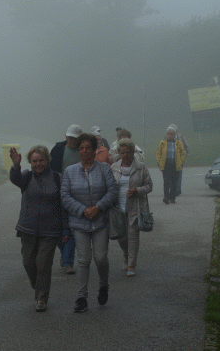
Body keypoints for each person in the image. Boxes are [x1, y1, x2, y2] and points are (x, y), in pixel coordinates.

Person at [61, 133, 118, 313]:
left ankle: (103, 285)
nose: (85, 151)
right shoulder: (70, 171)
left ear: (95, 150)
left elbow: (112, 191)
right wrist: (83, 210)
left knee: (100, 258)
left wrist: (98, 207)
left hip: (100, 221)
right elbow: (65, 196)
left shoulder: (104, 169)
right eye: (81, 148)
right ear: (78, 151)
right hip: (80, 223)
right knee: (83, 260)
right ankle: (81, 297)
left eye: (88, 147)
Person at [9, 145, 69, 312]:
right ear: (30, 162)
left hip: (50, 230)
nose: (38, 164)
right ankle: (39, 287)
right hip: (28, 228)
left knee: (43, 265)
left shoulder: (58, 178)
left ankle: (42, 298)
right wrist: (15, 165)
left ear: (47, 160)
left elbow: (63, 206)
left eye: (41, 160)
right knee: (28, 263)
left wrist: (65, 230)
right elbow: (15, 179)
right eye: (34, 161)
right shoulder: (26, 177)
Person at [111, 138, 153, 276]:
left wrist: (137, 191)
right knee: (121, 237)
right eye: (122, 152)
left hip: (135, 207)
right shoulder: (114, 167)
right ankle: (126, 254)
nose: (125, 155)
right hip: (118, 208)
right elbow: (110, 187)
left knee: (133, 236)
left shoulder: (141, 167)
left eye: (128, 152)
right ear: (119, 153)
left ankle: (131, 265)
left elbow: (149, 186)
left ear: (133, 152)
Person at [50, 124, 82, 275]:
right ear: (66, 137)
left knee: (72, 228)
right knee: (56, 228)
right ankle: (64, 253)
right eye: (70, 138)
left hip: (78, 194)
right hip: (58, 192)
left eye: (75, 138)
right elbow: (50, 170)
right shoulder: (57, 149)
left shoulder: (84, 150)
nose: (72, 141)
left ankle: (68, 262)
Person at [156, 127, 186, 204]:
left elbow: (183, 153)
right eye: (168, 133)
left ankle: (172, 198)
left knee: (174, 182)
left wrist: (181, 161)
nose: (170, 135)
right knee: (166, 181)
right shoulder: (162, 143)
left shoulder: (178, 143)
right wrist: (160, 162)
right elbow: (158, 153)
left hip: (175, 165)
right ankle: (166, 197)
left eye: (171, 134)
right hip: (166, 165)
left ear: (175, 134)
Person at [169, 124, 189, 196]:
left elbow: (186, 147)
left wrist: (183, 156)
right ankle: (174, 189)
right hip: (171, 159)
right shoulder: (167, 137)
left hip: (179, 158)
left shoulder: (180, 136)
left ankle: (177, 189)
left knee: (178, 174)